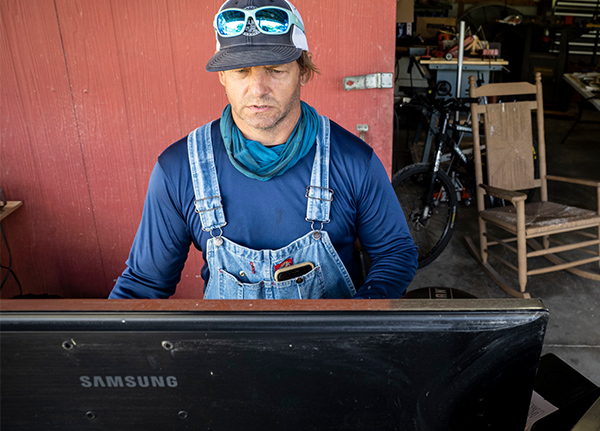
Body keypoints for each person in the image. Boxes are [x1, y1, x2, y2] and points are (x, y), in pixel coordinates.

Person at [109, 0, 417, 300]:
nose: (258, 88)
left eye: (275, 69)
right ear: (222, 77)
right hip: (231, 348)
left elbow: (395, 254)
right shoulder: (179, 169)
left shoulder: (353, 161)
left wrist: (358, 323)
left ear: (303, 72)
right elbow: (143, 284)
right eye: (241, 71)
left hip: (331, 349)